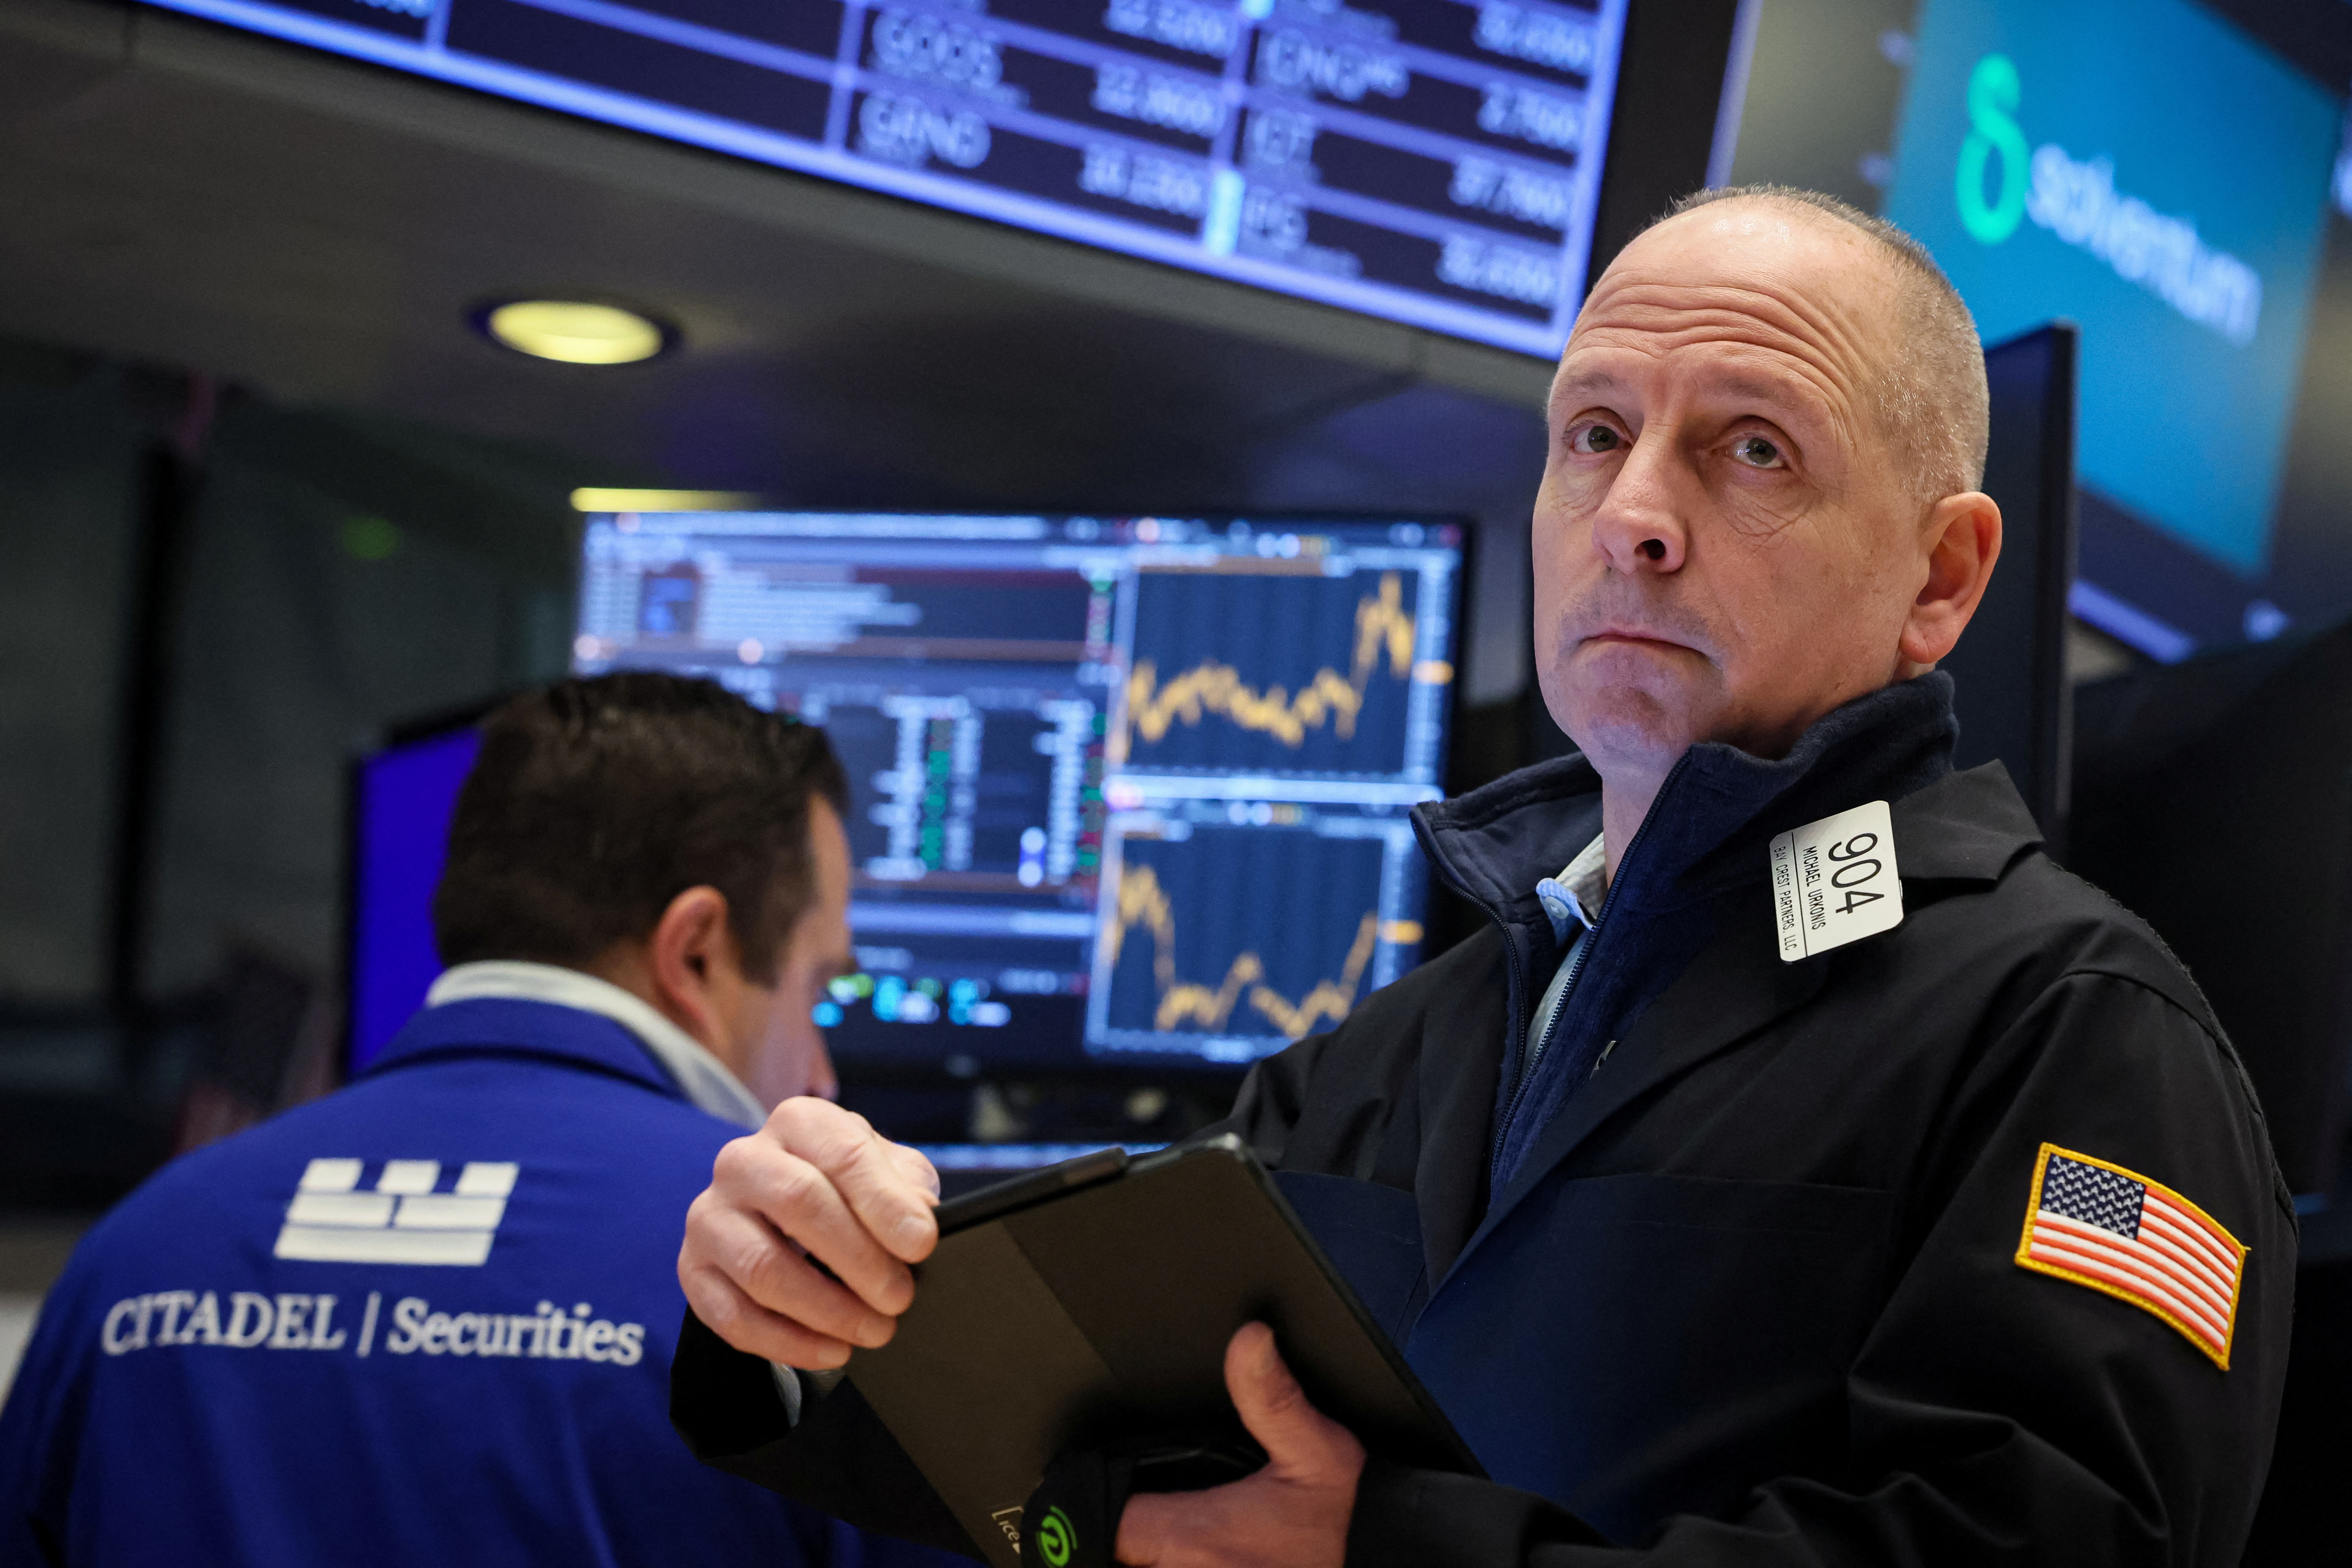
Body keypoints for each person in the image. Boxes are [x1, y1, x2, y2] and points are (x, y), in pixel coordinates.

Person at [664, 188, 2296, 1567]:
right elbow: (1112, 1454)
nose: (1633, 516)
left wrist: (1394, 1548)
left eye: (1750, 450)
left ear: (1940, 578)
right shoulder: (1402, 1042)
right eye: (1595, 434)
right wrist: (804, 1305)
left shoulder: (2075, 1034)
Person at [0, 673, 956, 1568]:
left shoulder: (133, 1256)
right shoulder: (801, 1296)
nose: (822, 1071)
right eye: (817, 988)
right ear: (697, 950)